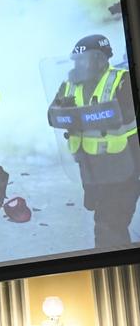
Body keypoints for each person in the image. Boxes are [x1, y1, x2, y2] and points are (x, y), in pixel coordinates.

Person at [47, 34, 139, 248]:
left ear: (99, 59)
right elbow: (52, 116)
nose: (78, 65)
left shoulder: (123, 80)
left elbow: (122, 114)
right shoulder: (69, 85)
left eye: (83, 59)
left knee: (109, 229)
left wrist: (77, 116)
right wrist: (71, 114)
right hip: (90, 172)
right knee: (107, 225)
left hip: (122, 170)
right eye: (76, 60)